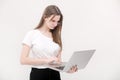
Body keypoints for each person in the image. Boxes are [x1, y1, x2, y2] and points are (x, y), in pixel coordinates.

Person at [20, 5, 78, 80]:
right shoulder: (32, 34)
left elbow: (58, 62)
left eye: (57, 21)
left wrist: (67, 70)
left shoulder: (56, 36)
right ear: (45, 17)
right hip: (38, 75)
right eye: (53, 21)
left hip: (55, 75)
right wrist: (46, 61)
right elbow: (23, 60)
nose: (55, 24)